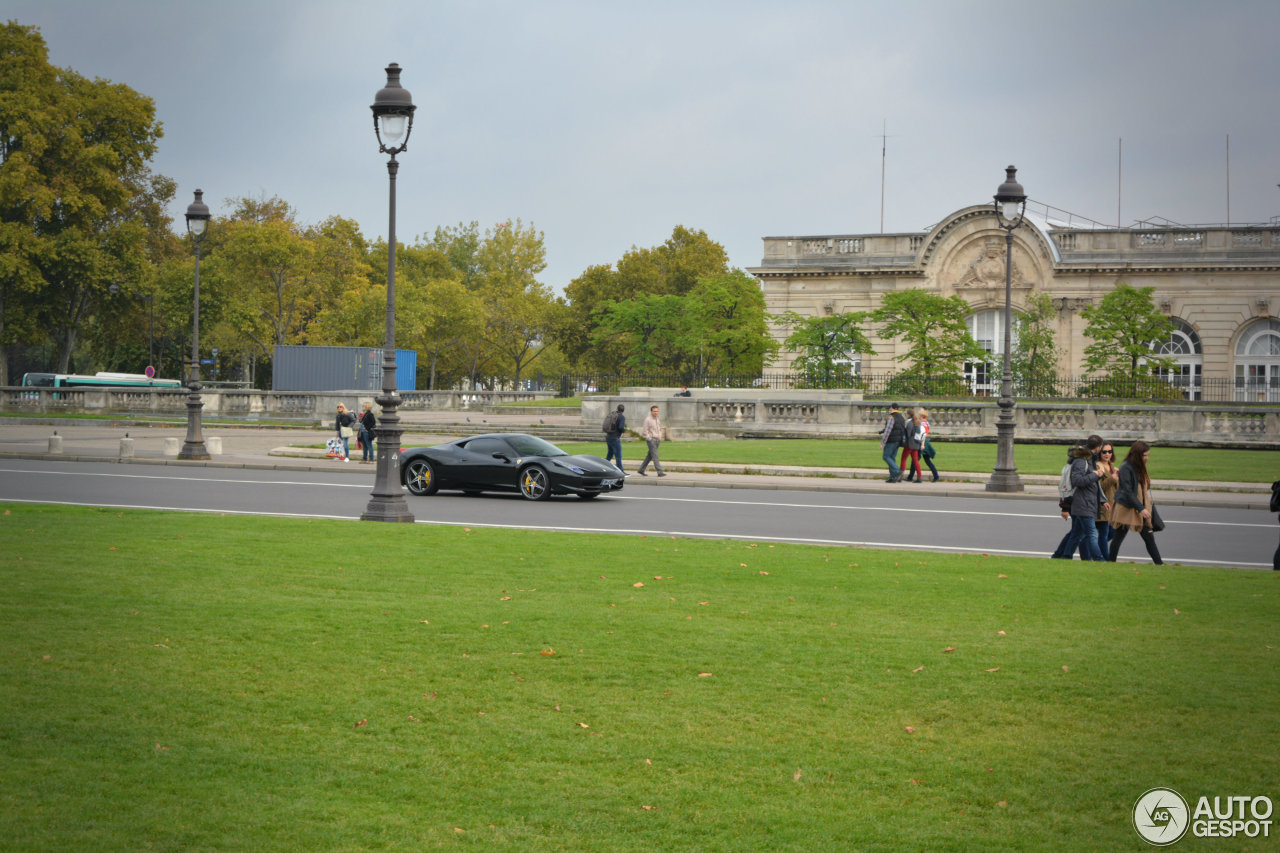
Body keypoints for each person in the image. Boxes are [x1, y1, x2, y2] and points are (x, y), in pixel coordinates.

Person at [1108, 440, 1163, 565]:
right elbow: (1127, 491)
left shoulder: (1138, 465)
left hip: (1139, 506)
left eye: (1147, 455)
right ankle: (1110, 563)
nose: (1147, 458)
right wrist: (1141, 508)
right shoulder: (1126, 467)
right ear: (1137, 454)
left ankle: (1159, 564)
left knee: (1148, 538)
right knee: (1118, 538)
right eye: (1145, 455)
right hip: (1127, 508)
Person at [1067, 438, 1109, 561]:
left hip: (1086, 502)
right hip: (1083, 503)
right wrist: (1095, 475)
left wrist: (1102, 500)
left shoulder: (1090, 460)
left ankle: (1065, 555)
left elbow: (1094, 485)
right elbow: (1077, 481)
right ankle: (1099, 559)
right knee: (1092, 533)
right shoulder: (1081, 461)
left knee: (1076, 535)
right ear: (1098, 447)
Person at [1094, 442, 1119, 559]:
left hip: (1114, 505)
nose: (1107, 454)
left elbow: (1116, 487)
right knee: (1103, 534)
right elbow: (1099, 487)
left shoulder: (1113, 466)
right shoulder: (1097, 466)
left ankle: (1092, 547)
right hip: (1103, 504)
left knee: (1112, 533)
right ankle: (1105, 559)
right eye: (1104, 452)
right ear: (1100, 452)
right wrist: (1113, 479)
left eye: (1110, 451)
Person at [879, 403, 906, 483]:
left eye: (890, 408)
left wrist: (882, 442)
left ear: (892, 408)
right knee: (892, 458)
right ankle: (893, 477)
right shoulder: (901, 417)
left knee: (886, 456)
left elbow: (888, 430)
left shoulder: (891, 417)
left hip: (891, 440)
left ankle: (897, 472)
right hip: (898, 440)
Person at [637, 405, 667, 477]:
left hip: (657, 440)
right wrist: (649, 438)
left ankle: (641, 469)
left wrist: (660, 435)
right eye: (654, 411)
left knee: (650, 456)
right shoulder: (648, 420)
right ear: (651, 412)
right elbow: (645, 431)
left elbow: (659, 428)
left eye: (657, 411)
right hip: (651, 440)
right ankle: (659, 472)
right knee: (655, 455)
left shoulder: (657, 419)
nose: (656, 413)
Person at [899, 408, 923, 483]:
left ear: (909, 415)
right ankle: (919, 476)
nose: (906, 415)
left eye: (906, 414)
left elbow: (908, 434)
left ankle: (900, 476)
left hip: (909, 444)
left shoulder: (910, 423)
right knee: (916, 461)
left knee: (903, 459)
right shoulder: (917, 422)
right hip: (916, 443)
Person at [916, 408, 940, 482]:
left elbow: (923, 434)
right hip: (926, 441)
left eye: (919, 415)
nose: (918, 416)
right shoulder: (926, 422)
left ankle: (911, 476)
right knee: (927, 461)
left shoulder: (922, 424)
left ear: (921, 416)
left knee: (916, 460)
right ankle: (936, 475)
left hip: (923, 442)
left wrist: (922, 444)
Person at [603, 403, 627, 473]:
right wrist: (624, 430)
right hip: (615, 438)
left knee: (610, 454)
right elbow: (620, 427)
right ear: (623, 411)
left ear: (617, 409)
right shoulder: (622, 417)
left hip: (608, 436)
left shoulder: (612, 414)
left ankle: (602, 466)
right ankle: (621, 471)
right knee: (618, 455)